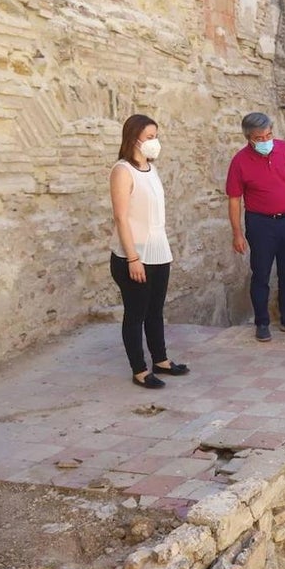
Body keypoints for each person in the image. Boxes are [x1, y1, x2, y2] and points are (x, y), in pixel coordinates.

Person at [109, 114, 188, 389]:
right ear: (134, 138)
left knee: (155, 310)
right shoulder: (122, 171)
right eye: (150, 137)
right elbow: (121, 218)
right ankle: (139, 369)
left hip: (158, 251)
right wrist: (133, 258)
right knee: (136, 313)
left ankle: (161, 359)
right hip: (134, 255)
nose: (155, 142)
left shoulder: (151, 168)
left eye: (156, 137)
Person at [226, 112, 285, 342]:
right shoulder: (240, 161)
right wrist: (237, 233)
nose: (266, 140)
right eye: (260, 137)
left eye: (269, 134)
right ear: (249, 138)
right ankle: (262, 322)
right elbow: (234, 199)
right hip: (260, 224)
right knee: (261, 273)